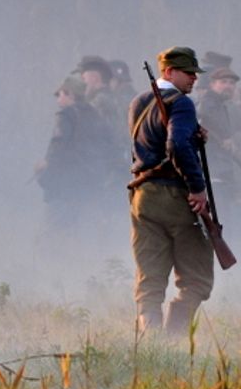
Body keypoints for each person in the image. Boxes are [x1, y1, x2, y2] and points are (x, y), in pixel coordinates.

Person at [127, 46, 213, 335]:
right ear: (168, 72)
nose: (193, 79)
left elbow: (149, 143)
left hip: (142, 196)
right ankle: (173, 340)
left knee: (149, 281)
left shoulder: (138, 102)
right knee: (198, 280)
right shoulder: (182, 103)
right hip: (175, 197)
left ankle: (151, 342)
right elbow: (175, 145)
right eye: (187, 73)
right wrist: (198, 189)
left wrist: (194, 133)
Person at [35, 75, 113, 230]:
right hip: (90, 184)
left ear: (70, 94)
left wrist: (45, 165)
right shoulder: (94, 115)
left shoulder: (66, 116)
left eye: (60, 94)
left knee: (56, 230)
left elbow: (58, 144)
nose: (58, 98)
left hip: (65, 184)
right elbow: (107, 145)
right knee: (85, 230)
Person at [195, 67, 241, 250]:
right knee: (216, 221)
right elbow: (207, 120)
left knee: (221, 221)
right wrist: (225, 137)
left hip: (220, 174)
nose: (228, 86)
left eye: (232, 83)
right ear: (213, 84)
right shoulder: (209, 103)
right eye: (223, 82)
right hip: (212, 175)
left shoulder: (221, 105)